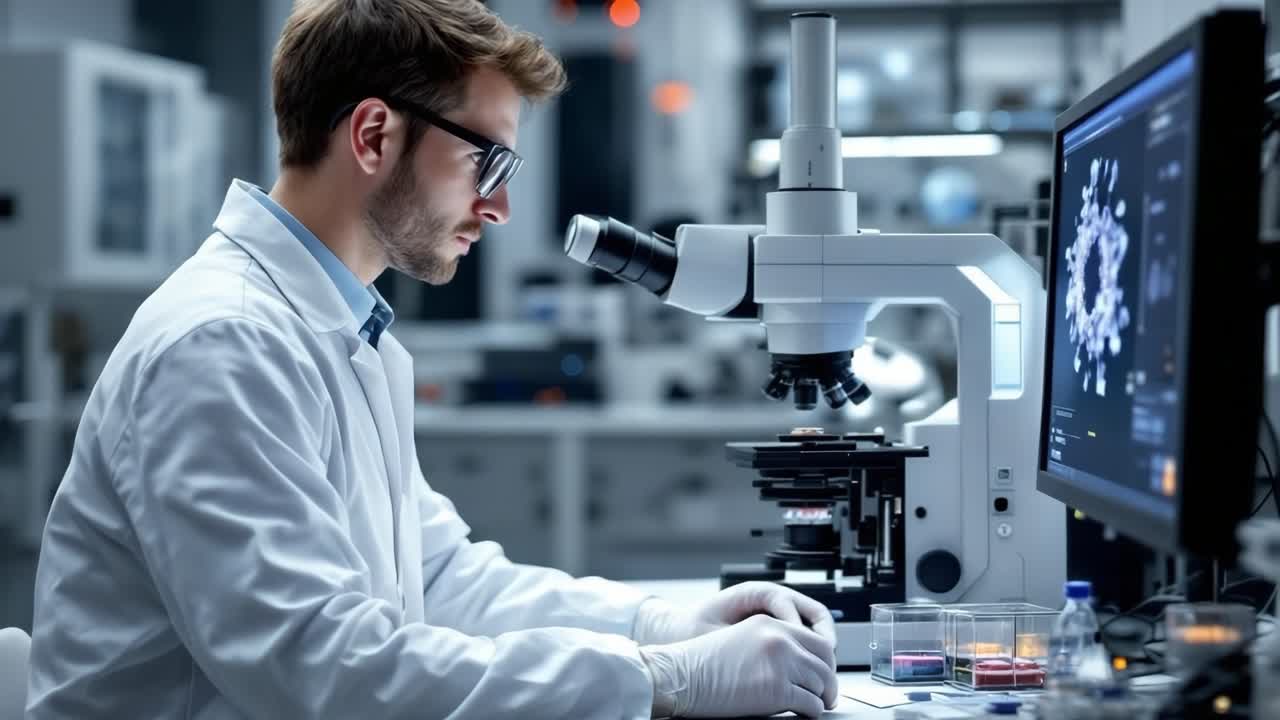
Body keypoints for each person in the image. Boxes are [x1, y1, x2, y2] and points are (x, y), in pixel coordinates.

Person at [25, 1, 838, 717]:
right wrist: (662, 680)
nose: (500, 203)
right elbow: (325, 669)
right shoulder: (226, 342)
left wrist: (666, 625)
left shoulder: (338, 329)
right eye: (487, 159)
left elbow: (444, 580)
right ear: (375, 134)